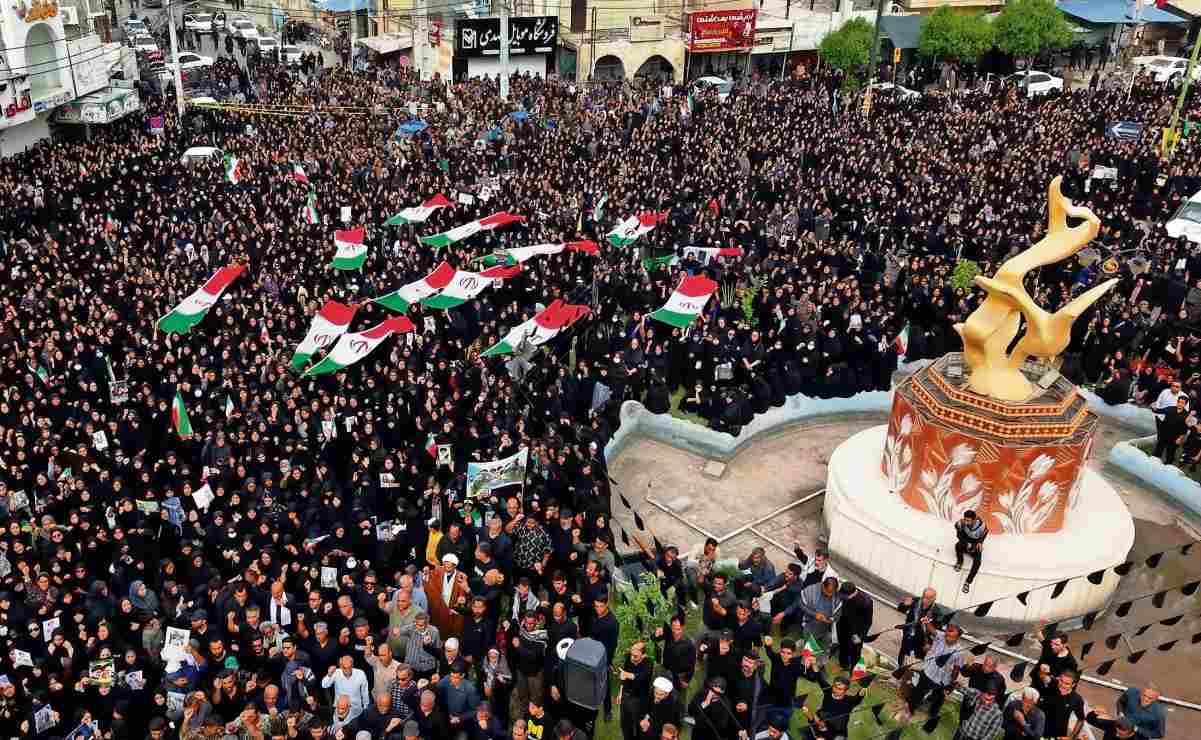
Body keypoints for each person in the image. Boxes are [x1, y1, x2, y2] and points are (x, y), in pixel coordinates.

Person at [1038, 669, 1087, 740]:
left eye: (1067, 684)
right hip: (1038, 727)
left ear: (1073, 685)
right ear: (1058, 678)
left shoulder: (1076, 699)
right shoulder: (1052, 683)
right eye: (1061, 681)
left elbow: (1081, 719)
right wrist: (1043, 671)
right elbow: (1043, 676)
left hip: (1056, 735)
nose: (1062, 685)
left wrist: (1071, 737)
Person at [835, 581, 872, 673]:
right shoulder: (844, 594)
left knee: (855, 651)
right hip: (843, 624)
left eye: (845, 596)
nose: (843, 598)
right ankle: (843, 664)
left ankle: (854, 670)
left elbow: (868, 621)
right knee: (843, 645)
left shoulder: (866, 601)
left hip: (857, 630)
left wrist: (860, 635)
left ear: (852, 593)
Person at [953, 510, 987, 593]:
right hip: (965, 541)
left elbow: (984, 533)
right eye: (965, 520)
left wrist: (980, 542)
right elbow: (959, 535)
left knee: (977, 562)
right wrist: (966, 544)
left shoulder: (981, 526)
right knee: (957, 546)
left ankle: (968, 582)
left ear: (974, 520)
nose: (966, 522)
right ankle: (960, 562)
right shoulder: (961, 523)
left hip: (975, 543)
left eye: (968, 520)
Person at [1153, 393, 1189, 463]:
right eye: (1179, 402)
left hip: (1174, 437)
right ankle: (1154, 461)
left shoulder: (1186, 415)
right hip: (1164, 434)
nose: (1180, 404)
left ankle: (1167, 465)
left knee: (1170, 454)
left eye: (1182, 403)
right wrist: (1154, 408)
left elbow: (1185, 429)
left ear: (1185, 404)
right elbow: (1159, 410)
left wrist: (1180, 438)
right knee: (1158, 450)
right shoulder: (1170, 409)